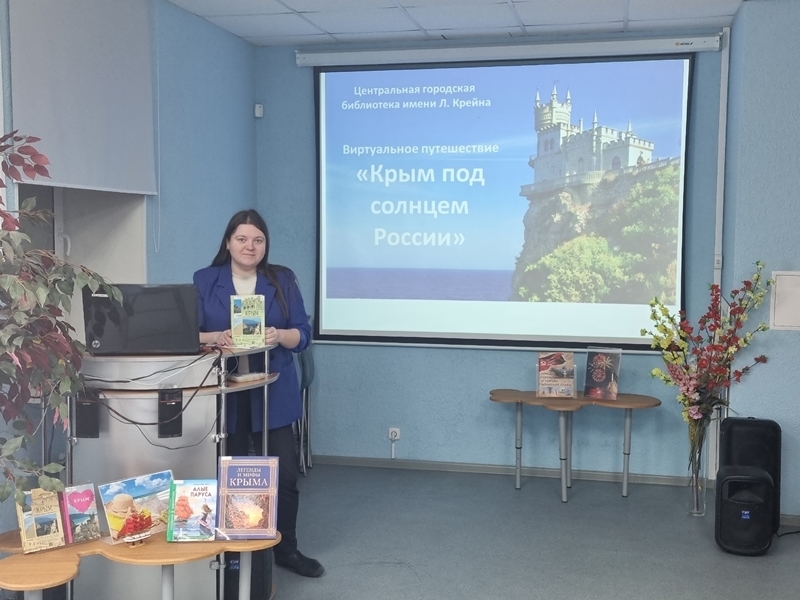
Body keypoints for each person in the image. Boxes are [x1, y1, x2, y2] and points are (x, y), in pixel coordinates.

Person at [193, 210, 324, 592]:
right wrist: (217, 336)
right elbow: (188, 333)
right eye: (242, 239)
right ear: (228, 242)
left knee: (284, 475)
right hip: (226, 393)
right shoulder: (205, 279)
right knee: (231, 475)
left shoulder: (282, 279)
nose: (249, 246)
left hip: (274, 389)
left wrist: (279, 335)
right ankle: (234, 553)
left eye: (258, 240)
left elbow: (303, 334)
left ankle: (286, 549)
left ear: (266, 245)